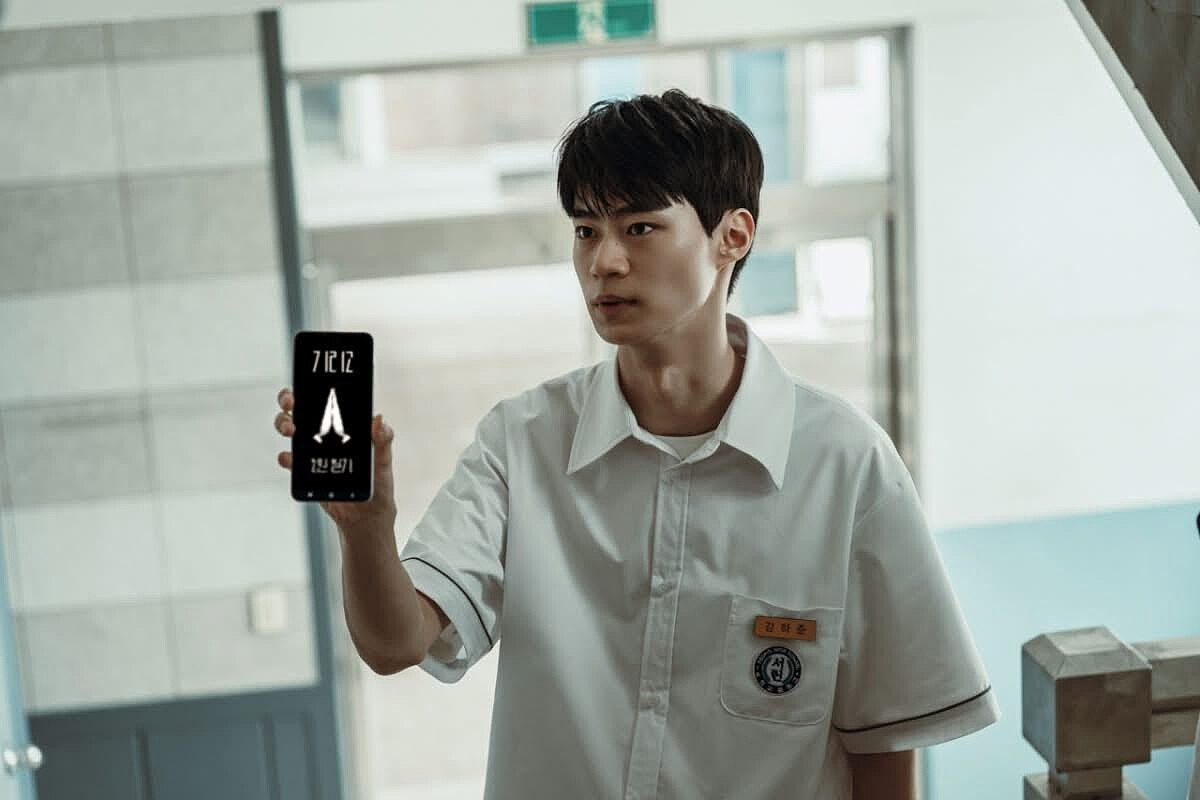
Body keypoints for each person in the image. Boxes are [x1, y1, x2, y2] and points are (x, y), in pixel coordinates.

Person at [274, 88, 1000, 799]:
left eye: (640, 227)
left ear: (733, 236)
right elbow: (396, 643)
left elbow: (885, 747)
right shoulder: (521, 443)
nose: (604, 262)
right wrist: (366, 530)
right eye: (586, 230)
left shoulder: (846, 464)